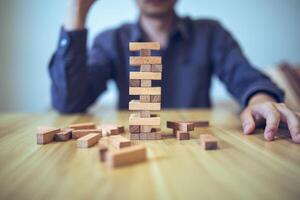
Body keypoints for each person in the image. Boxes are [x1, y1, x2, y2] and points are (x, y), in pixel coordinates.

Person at [49, 0, 300, 143]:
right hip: (138, 150)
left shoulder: (210, 33)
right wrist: (77, 9)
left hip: (195, 157)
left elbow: (245, 77)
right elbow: (69, 101)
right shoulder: (111, 40)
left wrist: (262, 101)